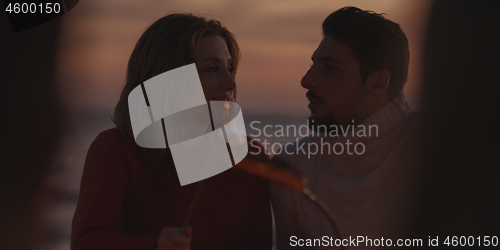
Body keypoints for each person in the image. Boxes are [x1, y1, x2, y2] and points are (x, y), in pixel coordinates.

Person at [71, 13, 272, 250]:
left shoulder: (250, 158)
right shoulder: (117, 150)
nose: (230, 83)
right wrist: (155, 246)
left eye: (229, 68)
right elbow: (87, 243)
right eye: (211, 69)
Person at [270, 7, 421, 249]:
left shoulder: (441, 150)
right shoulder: (293, 168)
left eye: (330, 68)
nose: (307, 80)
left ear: (377, 83)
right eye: (314, 65)